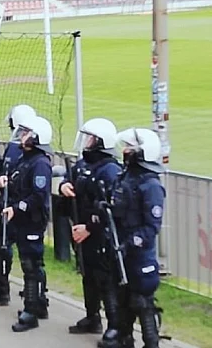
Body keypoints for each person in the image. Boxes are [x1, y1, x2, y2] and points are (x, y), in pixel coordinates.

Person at [0, 115, 53, 333]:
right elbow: (16, 180)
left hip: (30, 221)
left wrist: (17, 207)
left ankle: (32, 309)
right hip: (15, 218)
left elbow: (38, 196)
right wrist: (4, 182)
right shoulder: (24, 158)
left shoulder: (40, 163)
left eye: (27, 134)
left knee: (31, 265)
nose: (22, 137)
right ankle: (13, 295)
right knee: (1, 249)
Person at [98, 128, 166, 348]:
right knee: (120, 296)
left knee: (142, 301)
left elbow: (151, 227)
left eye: (130, 148)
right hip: (120, 248)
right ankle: (123, 337)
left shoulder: (151, 185)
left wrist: (129, 244)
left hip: (139, 254)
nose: (125, 151)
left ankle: (151, 342)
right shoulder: (125, 176)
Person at [59, 118, 123, 336]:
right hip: (81, 230)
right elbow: (71, 177)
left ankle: (114, 325)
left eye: (90, 138)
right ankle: (92, 316)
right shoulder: (84, 164)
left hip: (99, 235)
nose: (86, 142)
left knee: (105, 280)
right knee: (88, 276)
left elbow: (110, 209)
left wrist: (88, 228)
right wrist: (64, 185)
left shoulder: (110, 170)